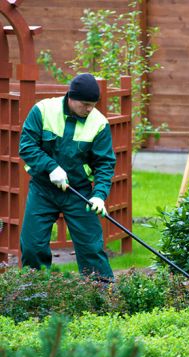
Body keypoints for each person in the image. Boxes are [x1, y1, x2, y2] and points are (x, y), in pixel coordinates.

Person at [19, 73, 116, 280]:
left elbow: (105, 164)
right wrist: (51, 167)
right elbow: (26, 147)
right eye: (86, 104)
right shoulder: (43, 111)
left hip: (78, 192)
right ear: (71, 97)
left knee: (91, 247)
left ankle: (102, 295)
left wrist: (99, 195)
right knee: (32, 246)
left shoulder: (99, 123)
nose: (90, 109)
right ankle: (35, 293)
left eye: (93, 104)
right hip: (42, 190)